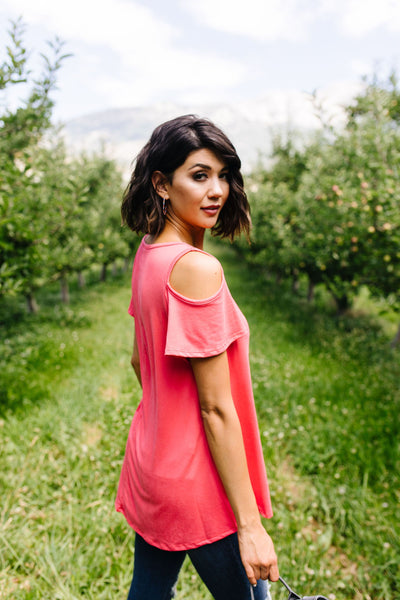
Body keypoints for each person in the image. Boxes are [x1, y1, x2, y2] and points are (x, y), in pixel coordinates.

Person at [116, 114, 279, 600]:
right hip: (199, 486)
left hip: (152, 465)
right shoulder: (197, 269)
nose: (217, 191)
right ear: (162, 184)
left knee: (147, 592)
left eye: (223, 176)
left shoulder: (149, 254)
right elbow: (215, 408)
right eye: (200, 175)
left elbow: (137, 362)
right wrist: (250, 527)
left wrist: (170, 423)